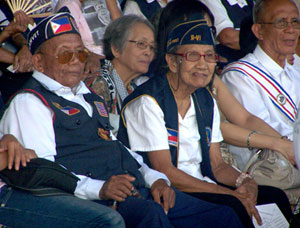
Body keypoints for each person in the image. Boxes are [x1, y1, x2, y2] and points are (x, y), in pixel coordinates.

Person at [0, 11, 243, 228]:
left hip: (136, 187)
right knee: (152, 214)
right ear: (39, 62)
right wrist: (100, 189)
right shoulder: (30, 102)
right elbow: (44, 173)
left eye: (81, 53)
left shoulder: (88, 96)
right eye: (65, 56)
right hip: (98, 200)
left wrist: (156, 179)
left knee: (225, 215)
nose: (76, 61)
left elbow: (119, 148)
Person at [118, 6, 293, 227]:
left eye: (209, 56)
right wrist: (229, 194)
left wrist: (245, 181)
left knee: (275, 198)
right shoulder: (148, 101)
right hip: (169, 190)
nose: (203, 64)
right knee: (233, 208)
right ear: (172, 62)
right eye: (192, 55)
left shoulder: (205, 99)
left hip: (204, 182)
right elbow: (165, 169)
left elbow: (217, 164)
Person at [222, 0, 300, 168]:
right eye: (281, 22)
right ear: (259, 31)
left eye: (295, 22)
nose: (291, 29)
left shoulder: (296, 74)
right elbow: (261, 129)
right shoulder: (239, 75)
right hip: (269, 170)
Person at [86, 14, 155, 135]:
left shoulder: (132, 89)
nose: (148, 52)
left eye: (152, 47)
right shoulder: (99, 83)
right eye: (141, 44)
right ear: (116, 49)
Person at [55, 0, 122, 77]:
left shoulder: (108, 2)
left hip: (115, 59)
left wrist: (111, 3)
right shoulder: (66, 6)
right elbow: (62, 41)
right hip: (92, 65)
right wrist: (89, 54)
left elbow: (122, 35)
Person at [200, 0, 255, 64]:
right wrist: (264, 39)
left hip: (252, 62)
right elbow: (228, 38)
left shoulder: (250, 2)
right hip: (230, 65)